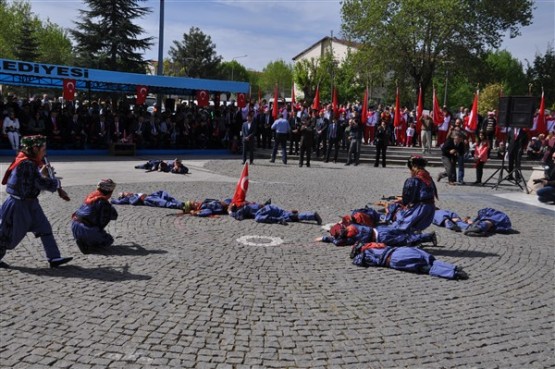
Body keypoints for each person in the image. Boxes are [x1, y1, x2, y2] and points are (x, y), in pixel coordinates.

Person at [0, 135, 72, 268]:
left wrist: (42, 173)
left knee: (45, 228)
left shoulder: (31, 161)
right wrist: (51, 180)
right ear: (34, 148)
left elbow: (35, 179)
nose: (44, 153)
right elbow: (38, 182)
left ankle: (54, 258)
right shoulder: (26, 163)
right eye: (43, 150)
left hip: (31, 203)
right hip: (18, 205)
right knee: (8, 235)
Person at [351, 243, 468, 280]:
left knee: (424, 268)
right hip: (401, 250)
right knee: (430, 260)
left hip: (395, 259)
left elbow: (357, 261)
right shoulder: (375, 245)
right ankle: (454, 267)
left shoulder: (366, 253)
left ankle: (453, 274)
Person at [71, 179, 118, 254]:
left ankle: (83, 239)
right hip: (86, 228)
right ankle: (87, 243)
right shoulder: (103, 202)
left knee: (93, 228)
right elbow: (104, 220)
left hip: (74, 224)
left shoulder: (92, 195)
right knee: (109, 240)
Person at [316, 223, 437, 247]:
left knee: (404, 241)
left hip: (381, 238)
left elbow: (338, 242)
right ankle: (417, 232)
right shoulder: (353, 226)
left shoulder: (350, 238)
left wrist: (326, 239)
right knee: (402, 231)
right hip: (380, 229)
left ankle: (427, 237)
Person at [254, 204, 322, 225]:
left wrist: (279, 220)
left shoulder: (258, 216)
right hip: (279, 211)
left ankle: (313, 215)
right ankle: (312, 215)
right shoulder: (262, 207)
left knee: (295, 217)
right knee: (293, 216)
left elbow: (268, 218)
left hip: (281, 215)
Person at [112, 190, 184, 209]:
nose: (127, 192)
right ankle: (177, 205)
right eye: (125, 193)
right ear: (124, 196)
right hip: (146, 199)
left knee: (162, 193)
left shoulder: (134, 194)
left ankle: (178, 202)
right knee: (161, 202)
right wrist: (111, 200)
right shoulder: (128, 198)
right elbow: (119, 202)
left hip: (150, 196)